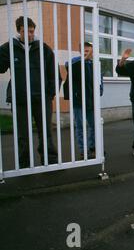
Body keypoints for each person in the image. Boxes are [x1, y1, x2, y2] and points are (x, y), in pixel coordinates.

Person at [0, 16, 57, 168]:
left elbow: (54, 74)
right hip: (20, 99)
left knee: (45, 132)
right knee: (23, 135)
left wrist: (49, 95)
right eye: (26, 32)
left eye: (32, 31)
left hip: (41, 99)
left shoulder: (43, 49)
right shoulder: (9, 48)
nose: (30, 35)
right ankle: (24, 164)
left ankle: (50, 161)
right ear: (19, 31)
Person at [63, 42, 103, 159]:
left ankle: (93, 148)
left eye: (89, 51)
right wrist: (84, 59)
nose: (87, 53)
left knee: (94, 125)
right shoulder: (74, 62)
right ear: (80, 51)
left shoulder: (95, 63)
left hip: (91, 100)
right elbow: (68, 67)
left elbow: (99, 78)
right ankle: (83, 150)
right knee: (80, 126)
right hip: (78, 100)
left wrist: (100, 90)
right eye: (85, 51)